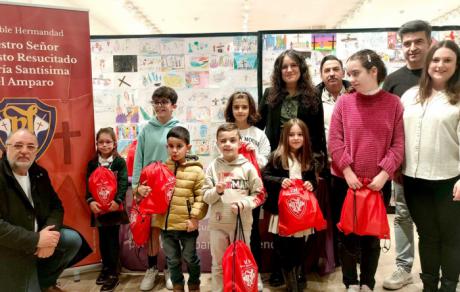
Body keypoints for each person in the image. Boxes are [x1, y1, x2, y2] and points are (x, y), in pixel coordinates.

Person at [328, 49, 404, 291]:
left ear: (373, 71)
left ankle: (367, 283)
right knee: (348, 236)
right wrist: (348, 172)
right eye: (349, 73)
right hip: (345, 180)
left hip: (377, 182)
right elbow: (335, 141)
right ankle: (350, 282)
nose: (351, 79)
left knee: (372, 237)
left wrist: (384, 175)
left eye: (356, 73)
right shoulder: (344, 102)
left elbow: (399, 144)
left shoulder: (393, 104)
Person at [257, 49, 327, 286]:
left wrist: (315, 169)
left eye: (293, 66)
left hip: (303, 166)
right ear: (279, 71)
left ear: (301, 69)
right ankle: (279, 270)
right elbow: (257, 127)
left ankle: (299, 271)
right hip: (278, 166)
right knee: (278, 224)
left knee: (301, 221)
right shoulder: (269, 95)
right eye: (284, 66)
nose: (289, 70)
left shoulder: (312, 96)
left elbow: (317, 136)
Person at [401, 40, 460, 292]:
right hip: (414, 179)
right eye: (436, 60)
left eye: (447, 60)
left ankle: (448, 286)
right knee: (426, 235)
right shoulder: (410, 96)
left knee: (450, 237)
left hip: (450, 179)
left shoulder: (457, 98)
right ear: (428, 64)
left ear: (457, 65)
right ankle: (429, 286)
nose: (440, 65)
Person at [381, 20, 432, 291]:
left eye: (418, 42)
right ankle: (403, 267)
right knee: (402, 215)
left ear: (429, 42)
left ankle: (439, 270)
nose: (412, 48)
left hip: (441, 165)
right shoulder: (393, 80)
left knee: (438, 218)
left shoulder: (444, 74)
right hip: (404, 166)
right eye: (407, 43)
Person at [0, 129, 84, 292]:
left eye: (31, 146)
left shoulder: (39, 174)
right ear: (6, 148)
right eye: (18, 145)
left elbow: (56, 206)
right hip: (11, 252)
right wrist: (36, 240)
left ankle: (44, 283)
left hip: (38, 243)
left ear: (36, 151)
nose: (25, 151)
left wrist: (49, 237)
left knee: (72, 240)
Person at [202, 123, 265, 292]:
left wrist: (244, 203)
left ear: (239, 143)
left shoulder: (248, 167)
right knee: (218, 264)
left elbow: (260, 195)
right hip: (218, 225)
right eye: (223, 141)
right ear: (217, 144)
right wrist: (217, 190)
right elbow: (206, 197)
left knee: (241, 263)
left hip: (242, 225)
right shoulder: (213, 167)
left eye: (232, 140)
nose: (227, 144)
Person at [132, 86, 180, 291]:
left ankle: (170, 269)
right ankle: (151, 269)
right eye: (156, 102)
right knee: (152, 232)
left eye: (164, 102)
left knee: (168, 232)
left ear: (173, 106)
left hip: (170, 188)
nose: (160, 106)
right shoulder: (146, 129)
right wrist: (136, 187)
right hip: (148, 189)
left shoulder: (179, 128)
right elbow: (138, 159)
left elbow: (183, 158)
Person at [262, 118, 318, 292]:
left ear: (305, 137)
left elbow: (313, 181)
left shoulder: (308, 158)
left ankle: (298, 276)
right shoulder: (277, 157)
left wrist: (311, 185)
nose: (295, 138)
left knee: (299, 247)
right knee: (283, 247)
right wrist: (281, 181)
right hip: (282, 213)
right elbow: (265, 176)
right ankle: (291, 284)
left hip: (301, 213)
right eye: (291, 134)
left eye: (300, 134)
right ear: (285, 137)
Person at [224, 91, 270, 291]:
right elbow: (220, 159)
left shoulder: (258, 134)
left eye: (244, 107)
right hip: (229, 192)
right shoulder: (225, 132)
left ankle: (252, 274)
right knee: (229, 233)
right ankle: (231, 275)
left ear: (251, 109)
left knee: (252, 235)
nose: (240, 111)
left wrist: (253, 152)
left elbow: (264, 161)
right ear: (231, 109)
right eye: (236, 107)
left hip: (251, 193)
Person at [152, 126, 208, 292]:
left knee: (190, 258)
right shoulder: (162, 169)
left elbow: (201, 198)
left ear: (188, 147)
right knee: (172, 260)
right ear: (166, 147)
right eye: (171, 146)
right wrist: (143, 190)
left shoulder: (196, 170)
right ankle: (177, 286)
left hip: (187, 226)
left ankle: (194, 284)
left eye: (179, 146)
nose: (174, 150)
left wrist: (194, 218)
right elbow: (155, 193)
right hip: (166, 225)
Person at [86, 127, 129, 292]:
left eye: (108, 142)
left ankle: (113, 273)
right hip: (98, 209)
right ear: (96, 144)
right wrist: (90, 201)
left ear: (114, 143)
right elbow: (87, 184)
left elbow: (123, 182)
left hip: (113, 208)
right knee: (103, 241)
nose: (104, 145)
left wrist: (117, 201)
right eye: (101, 142)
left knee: (112, 241)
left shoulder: (119, 162)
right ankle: (105, 268)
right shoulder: (92, 163)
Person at [317, 55, 352, 142]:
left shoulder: (356, 96)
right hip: (325, 155)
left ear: (343, 73)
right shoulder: (312, 100)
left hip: (353, 154)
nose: (332, 74)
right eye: (327, 70)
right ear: (321, 75)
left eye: (336, 69)